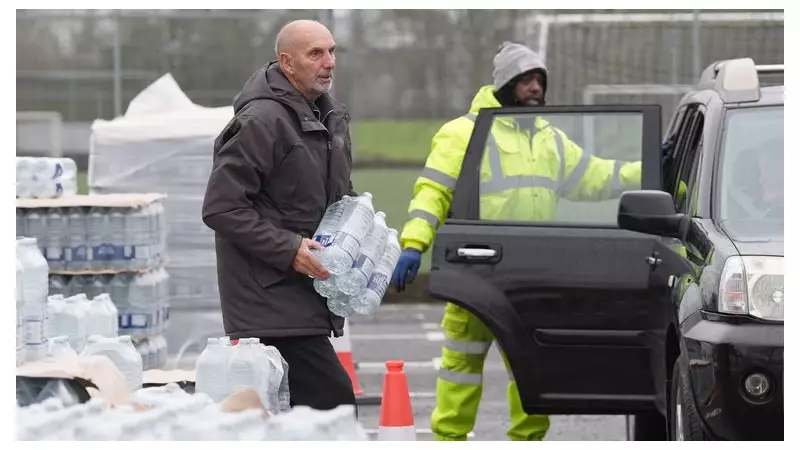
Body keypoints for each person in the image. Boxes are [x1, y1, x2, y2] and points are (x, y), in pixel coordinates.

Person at [390, 42, 642, 441]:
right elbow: (431, 194)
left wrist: (647, 169)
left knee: (531, 370)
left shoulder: (550, 138)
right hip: (473, 269)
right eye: (525, 80)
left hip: (528, 273)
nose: (535, 88)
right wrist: (412, 245)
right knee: (460, 369)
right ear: (506, 84)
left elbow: (595, 177)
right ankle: (449, 441)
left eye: (539, 80)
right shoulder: (463, 134)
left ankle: (527, 443)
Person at [202, 19, 358, 412]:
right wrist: (289, 249)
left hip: (307, 293)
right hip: (267, 299)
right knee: (334, 410)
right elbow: (222, 207)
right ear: (287, 63)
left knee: (301, 421)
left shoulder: (330, 117)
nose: (329, 62)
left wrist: (363, 232)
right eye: (316, 53)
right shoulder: (261, 121)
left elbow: (335, 198)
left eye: (332, 51)